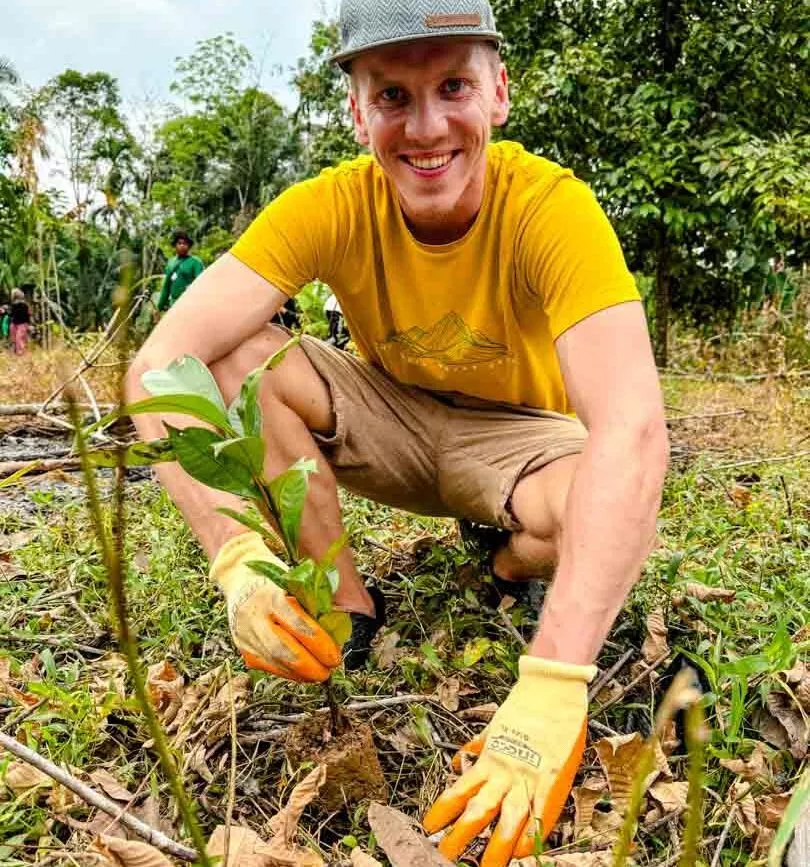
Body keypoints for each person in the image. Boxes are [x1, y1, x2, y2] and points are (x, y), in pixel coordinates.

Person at [127, 1, 669, 862]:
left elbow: (635, 427)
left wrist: (556, 683)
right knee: (235, 356)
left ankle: (502, 564)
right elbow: (160, 366)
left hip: (519, 440)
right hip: (388, 413)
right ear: (357, 110)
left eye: (452, 85)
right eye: (392, 96)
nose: (426, 128)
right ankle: (344, 604)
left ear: (498, 91)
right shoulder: (328, 207)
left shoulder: (552, 209)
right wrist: (233, 554)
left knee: (600, 504)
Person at [156, 230, 204, 313]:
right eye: (179, 243)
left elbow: (201, 285)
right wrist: (158, 308)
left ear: (189, 246)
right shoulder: (171, 262)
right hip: (173, 305)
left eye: (185, 243)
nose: (182, 245)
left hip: (190, 305)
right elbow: (166, 288)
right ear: (175, 245)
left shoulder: (196, 262)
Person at [9, 289, 31, 356]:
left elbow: (28, 314)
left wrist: (29, 324)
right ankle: (15, 351)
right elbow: (11, 314)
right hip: (15, 323)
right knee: (14, 337)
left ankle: (21, 353)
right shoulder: (13, 305)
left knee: (19, 337)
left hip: (22, 323)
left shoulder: (24, 305)